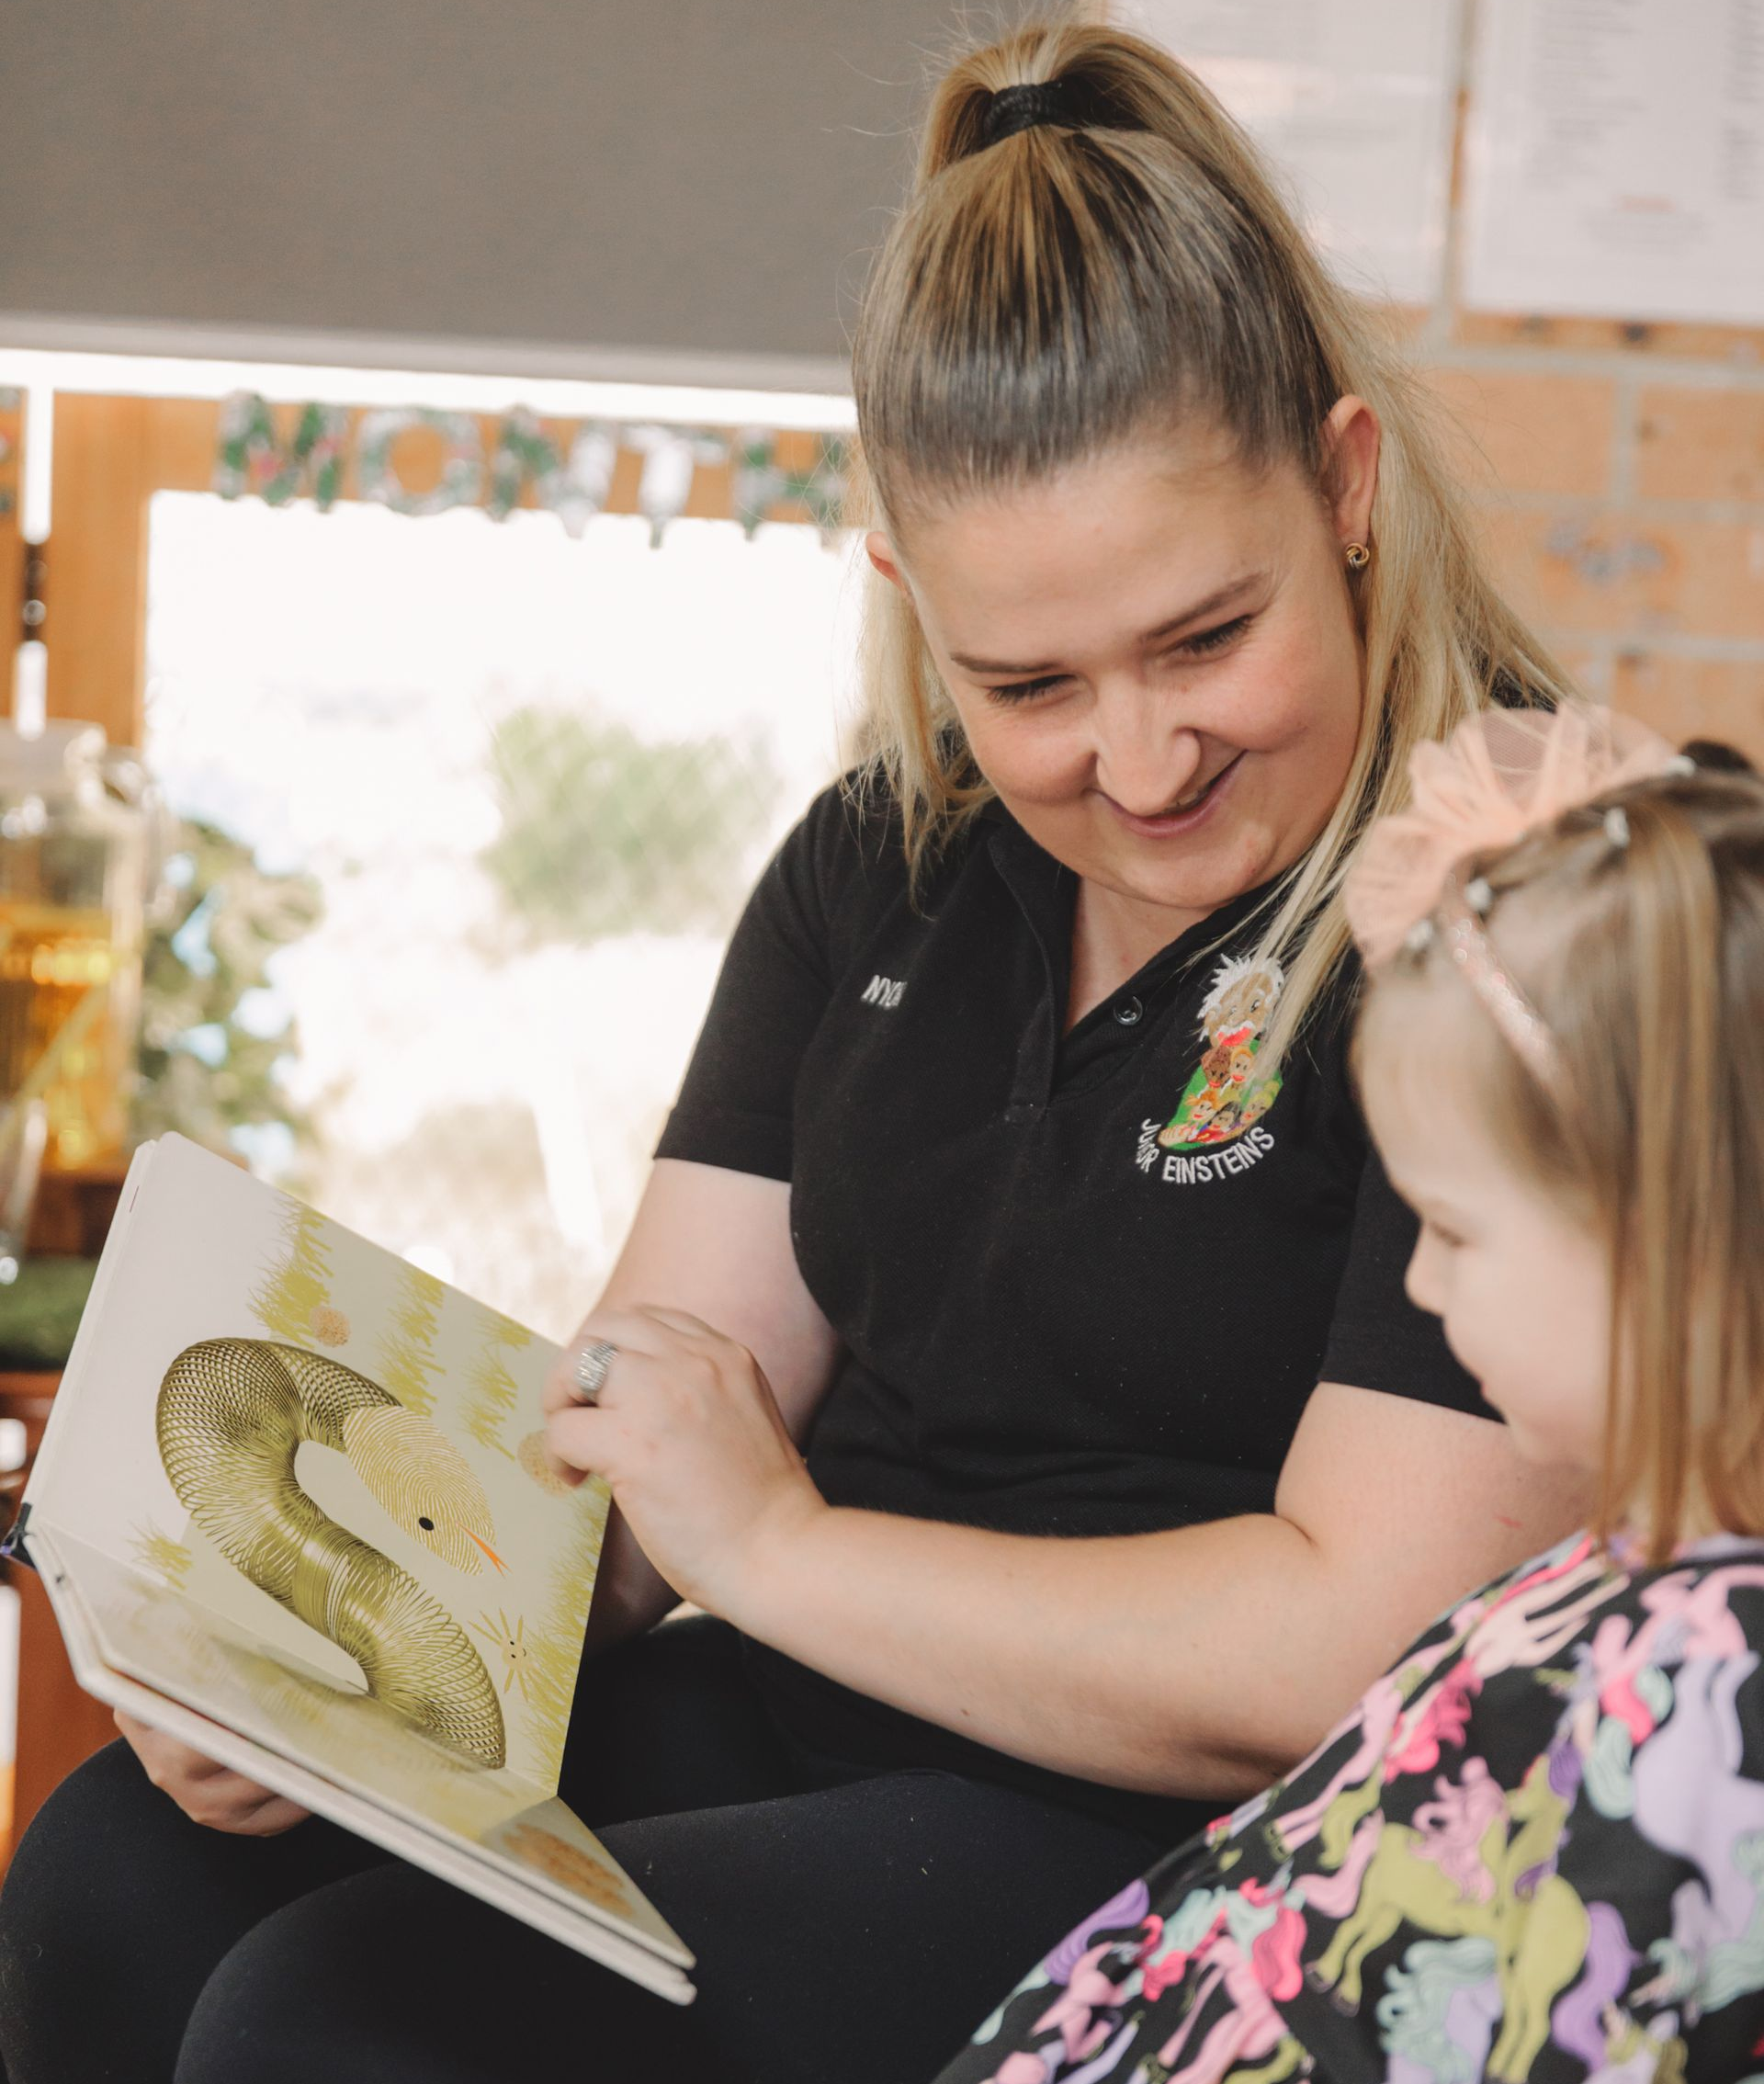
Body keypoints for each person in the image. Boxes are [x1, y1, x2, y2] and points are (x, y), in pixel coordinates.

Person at [0, 23, 1591, 2084]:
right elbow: (652, 1455)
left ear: (1349, 487)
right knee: (114, 1877)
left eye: (1207, 639)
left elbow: (1349, 1644)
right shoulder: (885, 857)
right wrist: (323, 1668)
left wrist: (784, 1550)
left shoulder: (1526, 889)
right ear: (908, 604)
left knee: (346, 2029)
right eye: (1028, 680)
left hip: (1222, 1833)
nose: (1137, 758)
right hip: (816, 1719)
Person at [937, 703, 1764, 2084]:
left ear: (1664, 1235)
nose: (1425, 1289)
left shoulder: (1719, 1685)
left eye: (1457, 1227)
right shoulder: (1628, 1565)